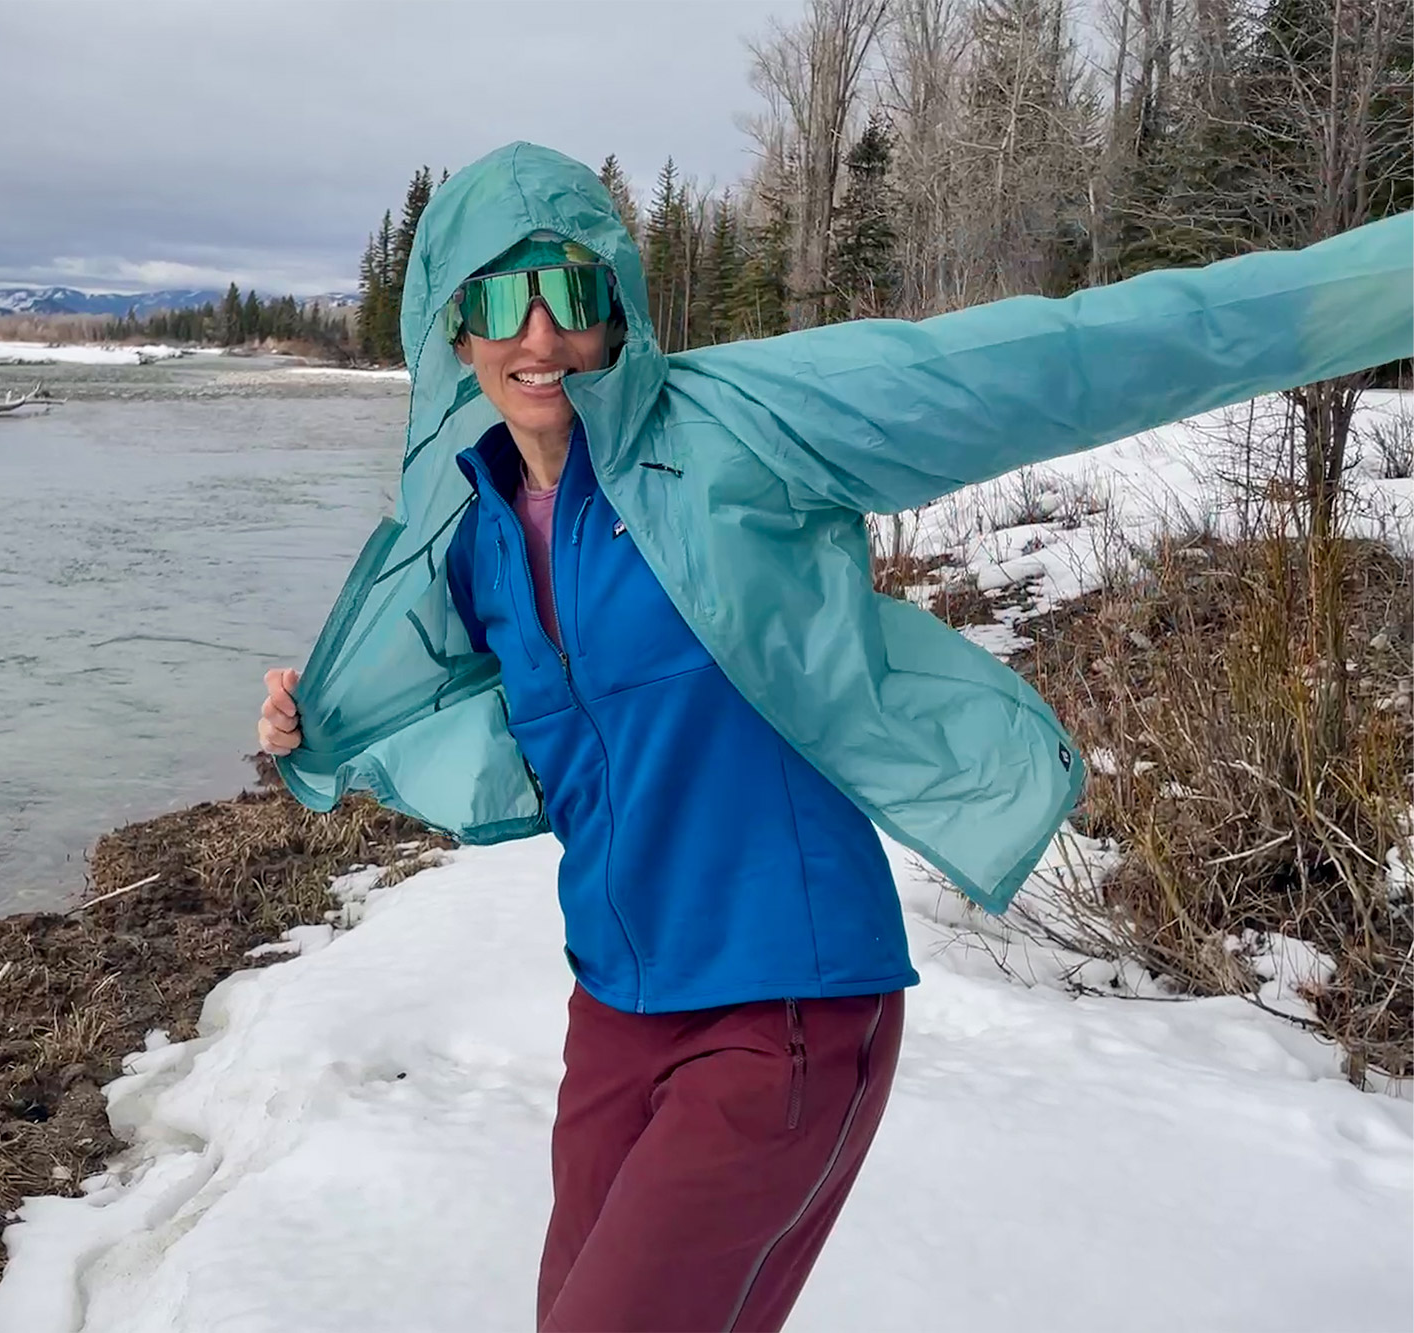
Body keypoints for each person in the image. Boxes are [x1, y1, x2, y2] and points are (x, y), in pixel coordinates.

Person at [257, 142, 1411, 1332]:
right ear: (452, 331)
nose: (538, 335)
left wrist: (1378, 278)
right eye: (500, 299)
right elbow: (474, 710)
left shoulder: (739, 426)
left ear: (621, 304)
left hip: (784, 1006)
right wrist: (311, 726)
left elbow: (1057, 359)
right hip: (614, 1002)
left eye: (571, 291)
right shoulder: (476, 523)